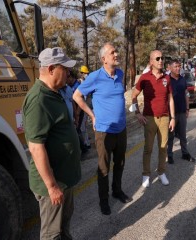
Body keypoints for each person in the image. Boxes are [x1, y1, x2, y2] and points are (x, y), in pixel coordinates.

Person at [22, 47, 81, 239]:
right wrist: (52, 186)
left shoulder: (54, 93)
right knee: (51, 233)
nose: (68, 73)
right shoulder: (39, 99)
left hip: (64, 179)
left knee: (63, 226)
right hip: (54, 183)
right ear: (51, 69)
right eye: (64, 69)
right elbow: (36, 147)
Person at [73, 43, 132, 215]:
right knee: (104, 167)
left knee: (120, 163)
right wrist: (92, 115)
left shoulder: (120, 74)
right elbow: (77, 96)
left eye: (116, 50)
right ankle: (103, 200)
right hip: (104, 131)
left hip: (121, 129)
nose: (116, 54)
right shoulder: (94, 77)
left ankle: (117, 191)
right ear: (103, 59)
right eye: (112, 52)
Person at [131, 50, 175, 188]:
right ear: (151, 61)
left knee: (163, 148)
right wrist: (137, 113)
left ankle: (161, 172)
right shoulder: (144, 78)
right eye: (158, 58)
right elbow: (134, 95)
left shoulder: (167, 78)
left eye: (162, 58)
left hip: (164, 118)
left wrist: (173, 118)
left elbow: (170, 99)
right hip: (149, 118)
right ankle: (146, 174)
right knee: (148, 148)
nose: (161, 60)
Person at [167, 59, 195, 164]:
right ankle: (169, 155)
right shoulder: (166, 80)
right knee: (170, 135)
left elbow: (186, 94)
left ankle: (185, 153)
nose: (178, 68)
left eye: (179, 66)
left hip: (182, 111)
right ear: (169, 67)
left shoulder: (183, 79)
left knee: (183, 134)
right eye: (175, 66)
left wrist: (187, 108)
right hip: (171, 114)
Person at [77, 65, 91, 150]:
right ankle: (87, 142)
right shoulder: (88, 80)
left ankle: (87, 143)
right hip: (89, 106)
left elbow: (83, 97)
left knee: (83, 127)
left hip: (85, 107)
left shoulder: (84, 82)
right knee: (84, 126)